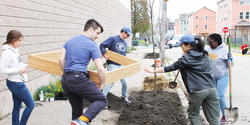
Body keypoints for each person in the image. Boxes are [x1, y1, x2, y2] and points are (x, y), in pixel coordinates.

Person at [145, 34, 220, 125]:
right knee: (213, 119)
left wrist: (153, 71)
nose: (181, 47)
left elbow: (171, 67)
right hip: (212, 89)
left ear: (187, 45)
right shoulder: (205, 55)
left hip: (197, 90)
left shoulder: (187, 58)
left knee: (193, 114)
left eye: (181, 45)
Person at [59, 19, 108, 125]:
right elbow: (100, 68)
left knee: (77, 111)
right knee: (102, 100)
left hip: (65, 80)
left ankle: (79, 120)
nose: (98, 36)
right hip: (78, 78)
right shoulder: (92, 45)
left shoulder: (69, 41)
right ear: (90, 29)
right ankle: (83, 120)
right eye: (97, 33)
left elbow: (61, 60)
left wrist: (64, 73)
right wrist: (103, 82)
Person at [0, 30, 35, 125]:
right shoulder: (7, 53)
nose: (21, 43)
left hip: (17, 82)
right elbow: (2, 69)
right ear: (13, 40)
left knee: (17, 106)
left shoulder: (14, 51)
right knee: (31, 104)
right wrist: (18, 71)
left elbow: (19, 64)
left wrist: (29, 64)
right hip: (16, 83)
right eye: (19, 41)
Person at [100, 27, 132, 105]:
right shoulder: (113, 39)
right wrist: (104, 54)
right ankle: (102, 101)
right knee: (111, 82)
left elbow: (123, 56)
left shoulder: (124, 43)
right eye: (127, 34)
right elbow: (102, 45)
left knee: (124, 82)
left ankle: (124, 97)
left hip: (120, 65)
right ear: (124, 32)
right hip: (112, 64)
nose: (128, 37)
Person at [207, 33, 232, 123]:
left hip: (222, 76)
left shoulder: (225, 50)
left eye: (210, 42)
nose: (209, 44)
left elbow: (230, 66)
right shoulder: (208, 49)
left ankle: (225, 115)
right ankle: (216, 115)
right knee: (214, 96)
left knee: (220, 96)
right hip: (212, 76)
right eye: (208, 42)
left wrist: (230, 60)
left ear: (217, 42)